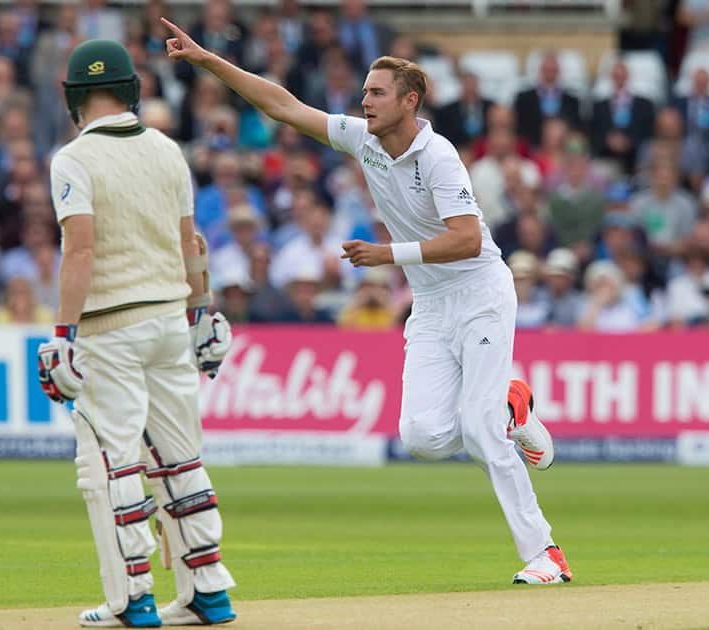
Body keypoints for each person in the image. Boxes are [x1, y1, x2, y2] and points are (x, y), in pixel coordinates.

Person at [162, 17, 571, 585]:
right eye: (364, 94)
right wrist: (209, 61)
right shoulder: (364, 139)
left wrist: (389, 255)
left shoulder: (439, 156)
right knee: (421, 438)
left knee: (477, 431)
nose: (365, 102)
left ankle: (545, 552)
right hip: (430, 305)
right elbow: (282, 106)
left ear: (410, 101)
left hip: (480, 293)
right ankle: (511, 406)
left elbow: (469, 239)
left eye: (377, 93)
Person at [36, 39, 237, 627]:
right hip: (170, 323)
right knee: (181, 460)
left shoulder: (72, 159)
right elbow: (190, 245)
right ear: (132, 90)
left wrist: (62, 335)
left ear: (73, 97)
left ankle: (132, 598)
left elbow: (81, 250)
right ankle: (208, 590)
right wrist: (204, 313)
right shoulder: (168, 150)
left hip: (109, 330)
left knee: (110, 463)